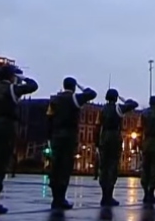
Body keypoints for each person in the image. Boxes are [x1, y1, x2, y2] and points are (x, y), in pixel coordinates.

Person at [0, 65, 38, 216]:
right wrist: (23, 77)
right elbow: (33, 86)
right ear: (11, 76)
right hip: (4, 126)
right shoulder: (11, 89)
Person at [46, 77, 96, 210]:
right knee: (65, 167)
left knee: (55, 166)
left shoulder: (54, 100)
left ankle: (55, 197)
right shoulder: (74, 99)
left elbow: (49, 118)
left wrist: (49, 136)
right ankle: (61, 198)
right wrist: (81, 86)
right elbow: (92, 93)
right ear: (73, 87)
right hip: (68, 136)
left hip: (56, 135)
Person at [97, 89, 138, 207]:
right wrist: (125, 100)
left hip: (104, 136)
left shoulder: (102, 110)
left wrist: (97, 142)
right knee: (112, 166)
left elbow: (97, 126)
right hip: (114, 136)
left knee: (103, 167)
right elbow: (134, 104)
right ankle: (109, 195)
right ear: (115, 98)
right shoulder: (118, 108)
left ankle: (104, 195)